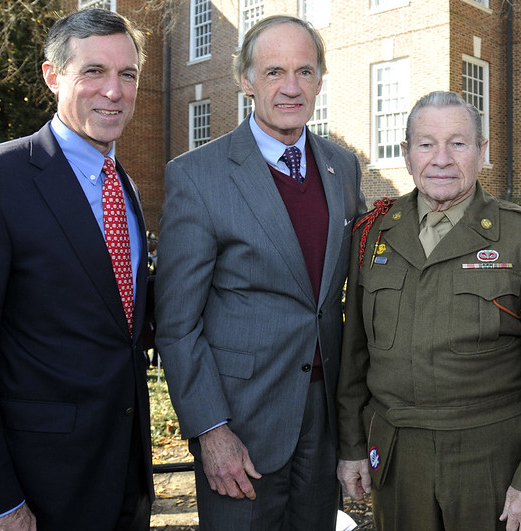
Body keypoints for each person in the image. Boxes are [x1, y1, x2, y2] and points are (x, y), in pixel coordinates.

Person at [154, 15, 366, 531]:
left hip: (321, 419)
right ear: (245, 80)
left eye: (304, 71)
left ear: (319, 79)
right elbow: (177, 324)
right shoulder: (198, 176)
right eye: (274, 72)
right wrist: (211, 430)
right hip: (240, 426)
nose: (291, 88)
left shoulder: (343, 167)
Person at [336, 91, 521, 531]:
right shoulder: (372, 235)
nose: (441, 158)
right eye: (426, 144)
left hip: (491, 460)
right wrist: (350, 445)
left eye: (458, 144)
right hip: (397, 455)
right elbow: (353, 356)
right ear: (405, 155)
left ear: (481, 153)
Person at [0, 8, 152, 531]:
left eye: (127, 74)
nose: (114, 90)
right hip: (37, 487)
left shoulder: (126, 188)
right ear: (53, 75)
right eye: (94, 71)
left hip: (126, 478)